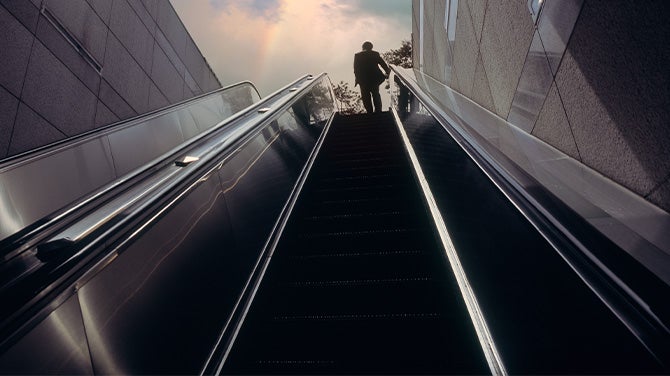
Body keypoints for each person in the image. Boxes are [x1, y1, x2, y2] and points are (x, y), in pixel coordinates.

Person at [353, 41, 390, 114]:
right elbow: (382, 63)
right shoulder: (375, 54)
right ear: (371, 47)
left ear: (363, 47)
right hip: (374, 78)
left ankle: (369, 112)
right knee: (376, 94)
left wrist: (358, 79)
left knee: (365, 96)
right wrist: (387, 72)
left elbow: (356, 69)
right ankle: (378, 111)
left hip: (363, 79)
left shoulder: (357, 55)